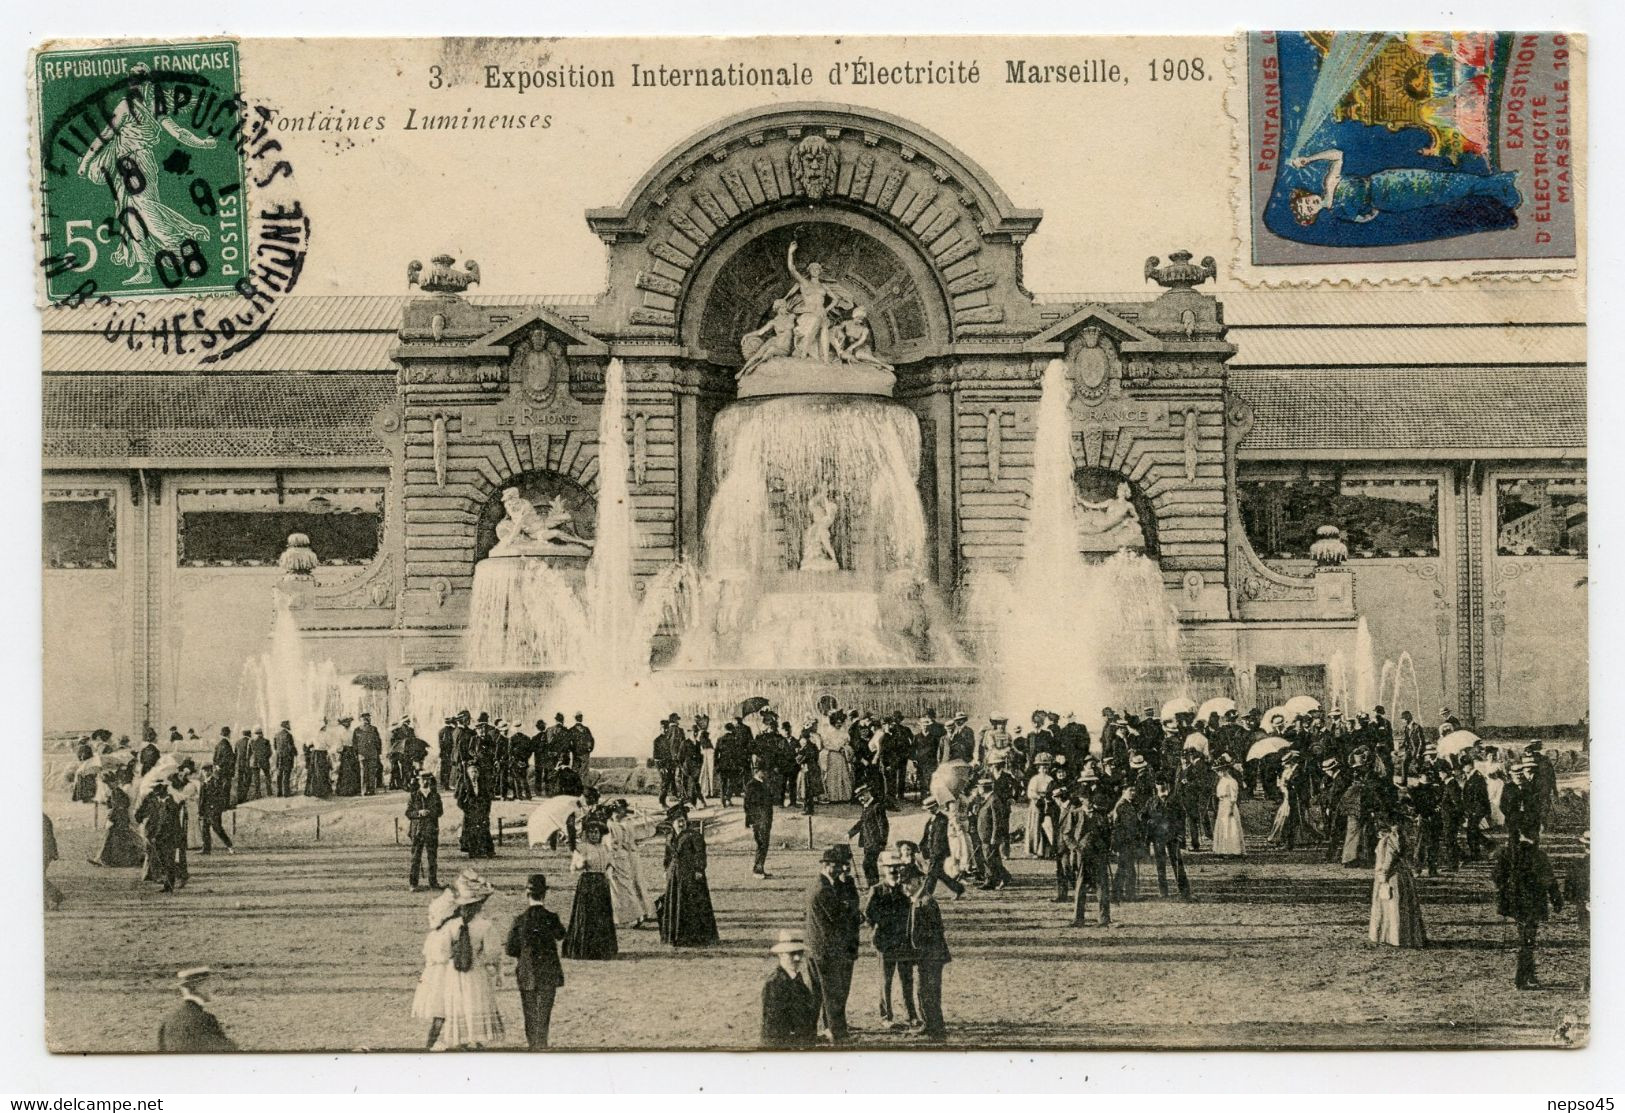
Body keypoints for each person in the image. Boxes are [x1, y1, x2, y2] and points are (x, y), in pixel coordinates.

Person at [1494, 830, 1563, 989]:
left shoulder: (1508, 854)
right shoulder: (1538, 856)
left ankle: (1528, 974)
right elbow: (1549, 880)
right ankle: (1522, 977)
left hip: (1514, 903)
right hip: (1533, 903)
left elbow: (1496, 877)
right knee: (1528, 939)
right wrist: (1556, 900)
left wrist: (1506, 890)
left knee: (1525, 937)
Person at [805, 845, 861, 1043]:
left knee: (818, 992)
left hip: (816, 948)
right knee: (832, 992)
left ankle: (812, 1031)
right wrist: (854, 915)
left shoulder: (822, 884)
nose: (841, 870)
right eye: (837, 867)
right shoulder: (823, 889)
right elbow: (839, 918)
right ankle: (837, 1033)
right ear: (827, 866)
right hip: (827, 950)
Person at [505, 873, 566, 1050]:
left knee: (529, 1012)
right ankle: (542, 1043)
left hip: (527, 971)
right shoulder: (551, 917)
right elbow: (561, 935)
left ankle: (532, 1044)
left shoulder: (519, 920)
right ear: (544, 894)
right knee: (544, 1012)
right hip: (548, 971)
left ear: (527, 894)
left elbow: (510, 949)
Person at [865, 851, 919, 1029]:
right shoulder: (877, 890)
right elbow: (869, 915)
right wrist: (879, 928)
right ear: (884, 870)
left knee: (907, 980)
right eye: (890, 868)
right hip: (885, 944)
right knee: (886, 981)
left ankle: (912, 1015)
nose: (894, 871)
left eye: (897, 868)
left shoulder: (906, 891)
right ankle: (886, 1017)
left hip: (903, 943)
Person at [659, 805, 720, 947]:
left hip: (691, 875)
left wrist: (699, 869)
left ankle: (694, 937)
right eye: (678, 821)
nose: (681, 824)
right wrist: (666, 869)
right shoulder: (669, 837)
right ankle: (676, 937)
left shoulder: (693, 836)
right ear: (672, 823)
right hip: (674, 875)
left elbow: (700, 854)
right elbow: (667, 855)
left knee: (690, 904)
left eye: (683, 821)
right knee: (676, 903)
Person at [903, 870, 950, 1041]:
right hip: (926, 955)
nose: (905, 887)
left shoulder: (926, 902)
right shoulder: (917, 900)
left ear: (918, 881)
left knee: (928, 991)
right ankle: (929, 1023)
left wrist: (919, 951)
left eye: (908, 883)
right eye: (903, 884)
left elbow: (934, 932)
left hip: (931, 956)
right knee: (924, 992)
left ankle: (936, 1028)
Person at [1367, 815, 1427, 948]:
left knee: (1391, 906)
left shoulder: (1388, 840)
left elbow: (1388, 859)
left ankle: (1393, 937)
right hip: (1403, 875)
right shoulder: (1401, 838)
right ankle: (1406, 936)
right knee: (1402, 905)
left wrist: (1383, 874)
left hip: (1392, 876)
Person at [563, 817, 618, 960]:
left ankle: (602, 949)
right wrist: (582, 862)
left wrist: (609, 873)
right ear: (587, 833)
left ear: (601, 834)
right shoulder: (581, 848)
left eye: (597, 832)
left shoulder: (605, 848)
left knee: (602, 915)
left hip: (601, 883)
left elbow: (611, 863)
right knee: (588, 916)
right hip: (588, 883)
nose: (594, 834)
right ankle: (586, 949)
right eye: (591, 832)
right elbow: (574, 867)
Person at [761, 929, 821, 1047]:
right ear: (780, 955)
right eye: (792, 953)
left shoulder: (796, 979)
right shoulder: (774, 984)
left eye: (800, 953)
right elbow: (774, 1030)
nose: (797, 958)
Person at [158, 967, 237, 1052]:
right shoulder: (205, 1019)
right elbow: (224, 1051)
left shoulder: (168, 1020)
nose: (211, 989)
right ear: (199, 987)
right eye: (208, 984)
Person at [1068, 778, 1112, 927]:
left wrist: (1106, 848)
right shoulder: (1075, 813)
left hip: (1099, 853)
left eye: (1091, 798)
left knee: (1102, 885)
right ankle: (1078, 918)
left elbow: (1107, 833)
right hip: (1082, 853)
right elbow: (1066, 834)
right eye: (1087, 798)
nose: (1090, 801)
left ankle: (1104, 918)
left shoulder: (1101, 814)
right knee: (1080, 885)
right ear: (1081, 799)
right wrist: (1075, 847)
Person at [605, 799, 656, 928]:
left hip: (620, 857)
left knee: (623, 887)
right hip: (625, 856)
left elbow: (615, 844)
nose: (621, 814)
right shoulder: (622, 824)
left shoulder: (617, 825)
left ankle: (637, 915)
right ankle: (639, 913)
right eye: (618, 812)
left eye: (621, 811)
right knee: (627, 886)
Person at [135, 780, 185, 893]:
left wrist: (156, 835)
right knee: (164, 860)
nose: (155, 792)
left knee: (168, 861)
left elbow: (165, 822)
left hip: (168, 836)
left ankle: (172, 883)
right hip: (160, 836)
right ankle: (169, 884)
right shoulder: (159, 801)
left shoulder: (170, 803)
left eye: (158, 790)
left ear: (164, 790)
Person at [1146, 777, 1191, 899]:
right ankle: (1163, 891)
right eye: (1158, 783)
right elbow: (1143, 815)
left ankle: (1184, 891)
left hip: (1173, 836)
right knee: (1160, 864)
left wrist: (1181, 834)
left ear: (1167, 785)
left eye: (1163, 783)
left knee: (1177, 863)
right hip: (1158, 837)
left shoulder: (1175, 801)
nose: (1161, 786)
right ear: (1155, 786)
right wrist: (1149, 822)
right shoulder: (1151, 801)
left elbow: (1182, 817)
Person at [90, 771, 146, 868]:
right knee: (120, 839)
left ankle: (102, 859)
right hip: (120, 819)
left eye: (108, 783)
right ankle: (103, 859)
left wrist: (111, 816)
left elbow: (119, 807)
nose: (108, 785)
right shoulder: (116, 792)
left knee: (112, 839)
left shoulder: (116, 792)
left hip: (118, 819)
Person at [918, 796, 965, 899]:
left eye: (931, 808)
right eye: (928, 809)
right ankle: (958, 888)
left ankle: (926, 894)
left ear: (936, 807)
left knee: (931, 874)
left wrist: (936, 852)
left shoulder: (942, 819)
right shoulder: (931, 819)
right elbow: (926, 835)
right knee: (939, 874)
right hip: (932, 851)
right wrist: (921, 846)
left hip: (939, 851)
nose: (929, 810)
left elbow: (939, 838)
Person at [406, 771, 444, 891]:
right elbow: (408, 813)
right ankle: (413, 884)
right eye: (423, 779)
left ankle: (433, 882)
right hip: (417, 831)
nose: (425, 782)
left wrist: (430, 812)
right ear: (419, 781)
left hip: (431, 830)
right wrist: (418, 813)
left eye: (427, 779)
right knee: (415, 858)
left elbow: (440, 812)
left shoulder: (435, 796)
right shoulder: (413, 796)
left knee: (432, 858)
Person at [849, 782, 890, 888]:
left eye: (862, 795)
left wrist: (882, 842)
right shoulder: (866, 807)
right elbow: (861, 822)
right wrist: (850, 833)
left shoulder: (877, 806)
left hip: (875, 842)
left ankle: (874, 887)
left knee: (867, 864)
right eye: (859, 797)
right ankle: (874, 887)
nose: (861, 798)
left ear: (868, 793)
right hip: (867, 842)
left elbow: (883, 825)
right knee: (870, 865)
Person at [974, 778, 1012, 890]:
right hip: (985, 836)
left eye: (979, 787)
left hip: (990, 836)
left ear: (984, 788)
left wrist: (994, 837)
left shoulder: (994, 800)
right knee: (991, 859)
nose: (978, 790)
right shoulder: (987, 799)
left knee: (990, 859)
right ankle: (996, 879)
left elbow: (997, 821)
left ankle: (995, 879)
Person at [743, 757, 775, 879]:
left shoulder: (764, 784)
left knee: (764, 844)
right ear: (758, 772)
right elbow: (747, 805)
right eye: (764, 771)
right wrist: (750, 820)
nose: (766, 774)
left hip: (766, 819)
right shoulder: (751, 785)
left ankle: (760, 867)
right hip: (758, 819)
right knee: (761, 844)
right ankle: (757, 869)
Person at [457, 762, 495, 859]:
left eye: (475, 772)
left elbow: (487, 799)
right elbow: (460, 801)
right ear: (468, 774)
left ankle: (485, 850)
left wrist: (486, 810)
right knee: (471, 831)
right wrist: (466, 809)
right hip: (470, 812)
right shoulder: (465, 785)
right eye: (471, 772)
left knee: (483, 829)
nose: (474, 774)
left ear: (478, 773)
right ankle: (472, 851)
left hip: (481, 811)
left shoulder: (482, 785)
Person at [197, 762, 235, 856]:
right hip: (206, 810)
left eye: (207, 771)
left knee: (217, 828)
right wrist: (201, 810)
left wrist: (216, 807)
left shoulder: (215, 782)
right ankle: (206, 849)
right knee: (205, 829)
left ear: (210, 771)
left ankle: (229, 846)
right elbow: (202, 799)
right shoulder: (204, 783)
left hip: (214, 809)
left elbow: (219, 796)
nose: (205, 773)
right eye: (203, 771)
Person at [1211, 756, 1246, 857]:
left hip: (1228, 804)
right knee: (1222, 825)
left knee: (1230, 826)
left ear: (1225, 770)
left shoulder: (1231, 781)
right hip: (1222, 804)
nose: (1218, 773)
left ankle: (1232, 850)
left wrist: (1231, 808)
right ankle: (1222, 849)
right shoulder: (1222, 780)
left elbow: (1233, 797)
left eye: (1220, 771)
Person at [272, 721, 297, 797]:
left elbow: (275, 747)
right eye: (288, 724)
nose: (290, 726)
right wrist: (295, 753)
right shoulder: (288, 735)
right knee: (286, 774)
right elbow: (291, 747)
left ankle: (278, 792)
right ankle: (286, 793)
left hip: (279, 757)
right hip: (287, 757)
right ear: (286, 725)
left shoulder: (276, 735)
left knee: (279, 774)